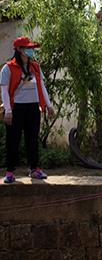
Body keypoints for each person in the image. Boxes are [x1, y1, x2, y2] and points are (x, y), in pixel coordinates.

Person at [1, 37, 55, 184]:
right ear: (19, 50)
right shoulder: (8, 68)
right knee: (13, 140)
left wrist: (48, 105)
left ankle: (34, 169)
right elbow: (4, 91)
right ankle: (10, 172)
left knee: (32, 139)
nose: (31, 50)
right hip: (16, 108)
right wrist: (8, 110)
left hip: (33, 107)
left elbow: (42, 86)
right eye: (27, 48)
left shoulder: (35, 66)